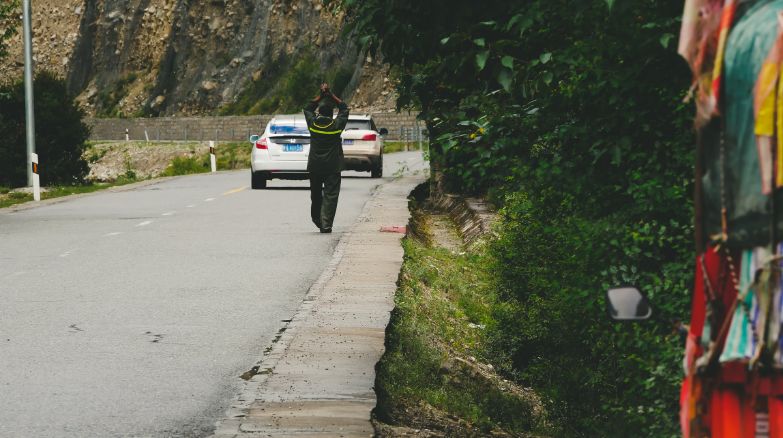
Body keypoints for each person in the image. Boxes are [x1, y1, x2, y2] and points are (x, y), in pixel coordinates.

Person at [303, 83, 349, 233]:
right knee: (331, 195)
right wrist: (331, 95)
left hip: (315, 167)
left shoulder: (313, 125)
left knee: (316, 195)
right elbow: (344, 108)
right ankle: (326, 224)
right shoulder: (336, 126)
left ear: (319, 113)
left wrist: (321, 96)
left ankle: (317, 219)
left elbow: (307, 109)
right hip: (332, 167)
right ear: (331, 115)